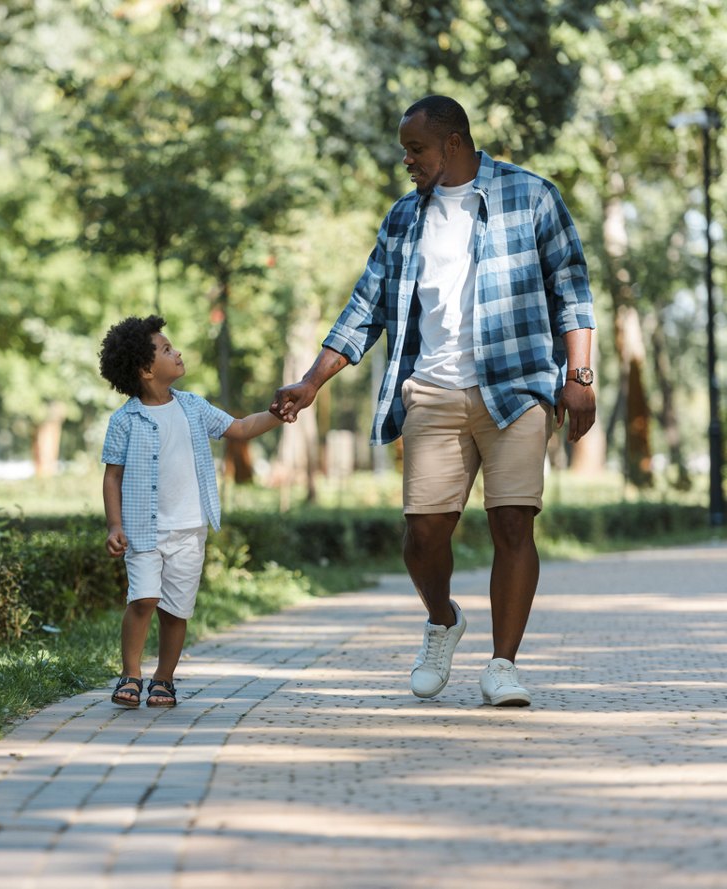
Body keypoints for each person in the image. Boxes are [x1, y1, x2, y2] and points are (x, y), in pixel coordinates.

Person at [271, 95, 596, 707]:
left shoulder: (532, 196)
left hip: (518, 385)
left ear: (452, 143)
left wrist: (578, 375)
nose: (407, 160)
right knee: (423, 533)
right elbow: (364, 307)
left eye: (415, 148)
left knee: (512, 521)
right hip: (432, 389)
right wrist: (312, 381)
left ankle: (503, 665)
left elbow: (572, 289)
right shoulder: (403, 218)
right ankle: (443, 620)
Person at [100, 315, 282, 708]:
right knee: (144, 599)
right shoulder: (124, 420)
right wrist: (114, 524)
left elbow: (240, 428)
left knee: (176, 609)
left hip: (189, 528)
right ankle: (130, 673)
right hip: (143, 531)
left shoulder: (193, 407)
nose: (177, 351)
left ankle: (163, 679)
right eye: (167, 349)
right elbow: (112, 477)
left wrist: (277, 413)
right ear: (147, 370)